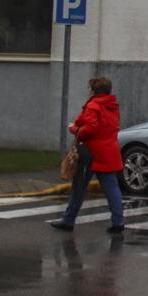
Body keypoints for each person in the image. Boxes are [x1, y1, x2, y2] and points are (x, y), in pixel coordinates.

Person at [51, 76, 126, 234]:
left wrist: (75, 129)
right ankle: (118, 221)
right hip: (109, 151)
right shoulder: (112, 106)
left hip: (91, 152)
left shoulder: (93, 106)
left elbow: (90, 129)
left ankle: (68, 220)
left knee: (79, 186)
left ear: (93, 90)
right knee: (112, 187)